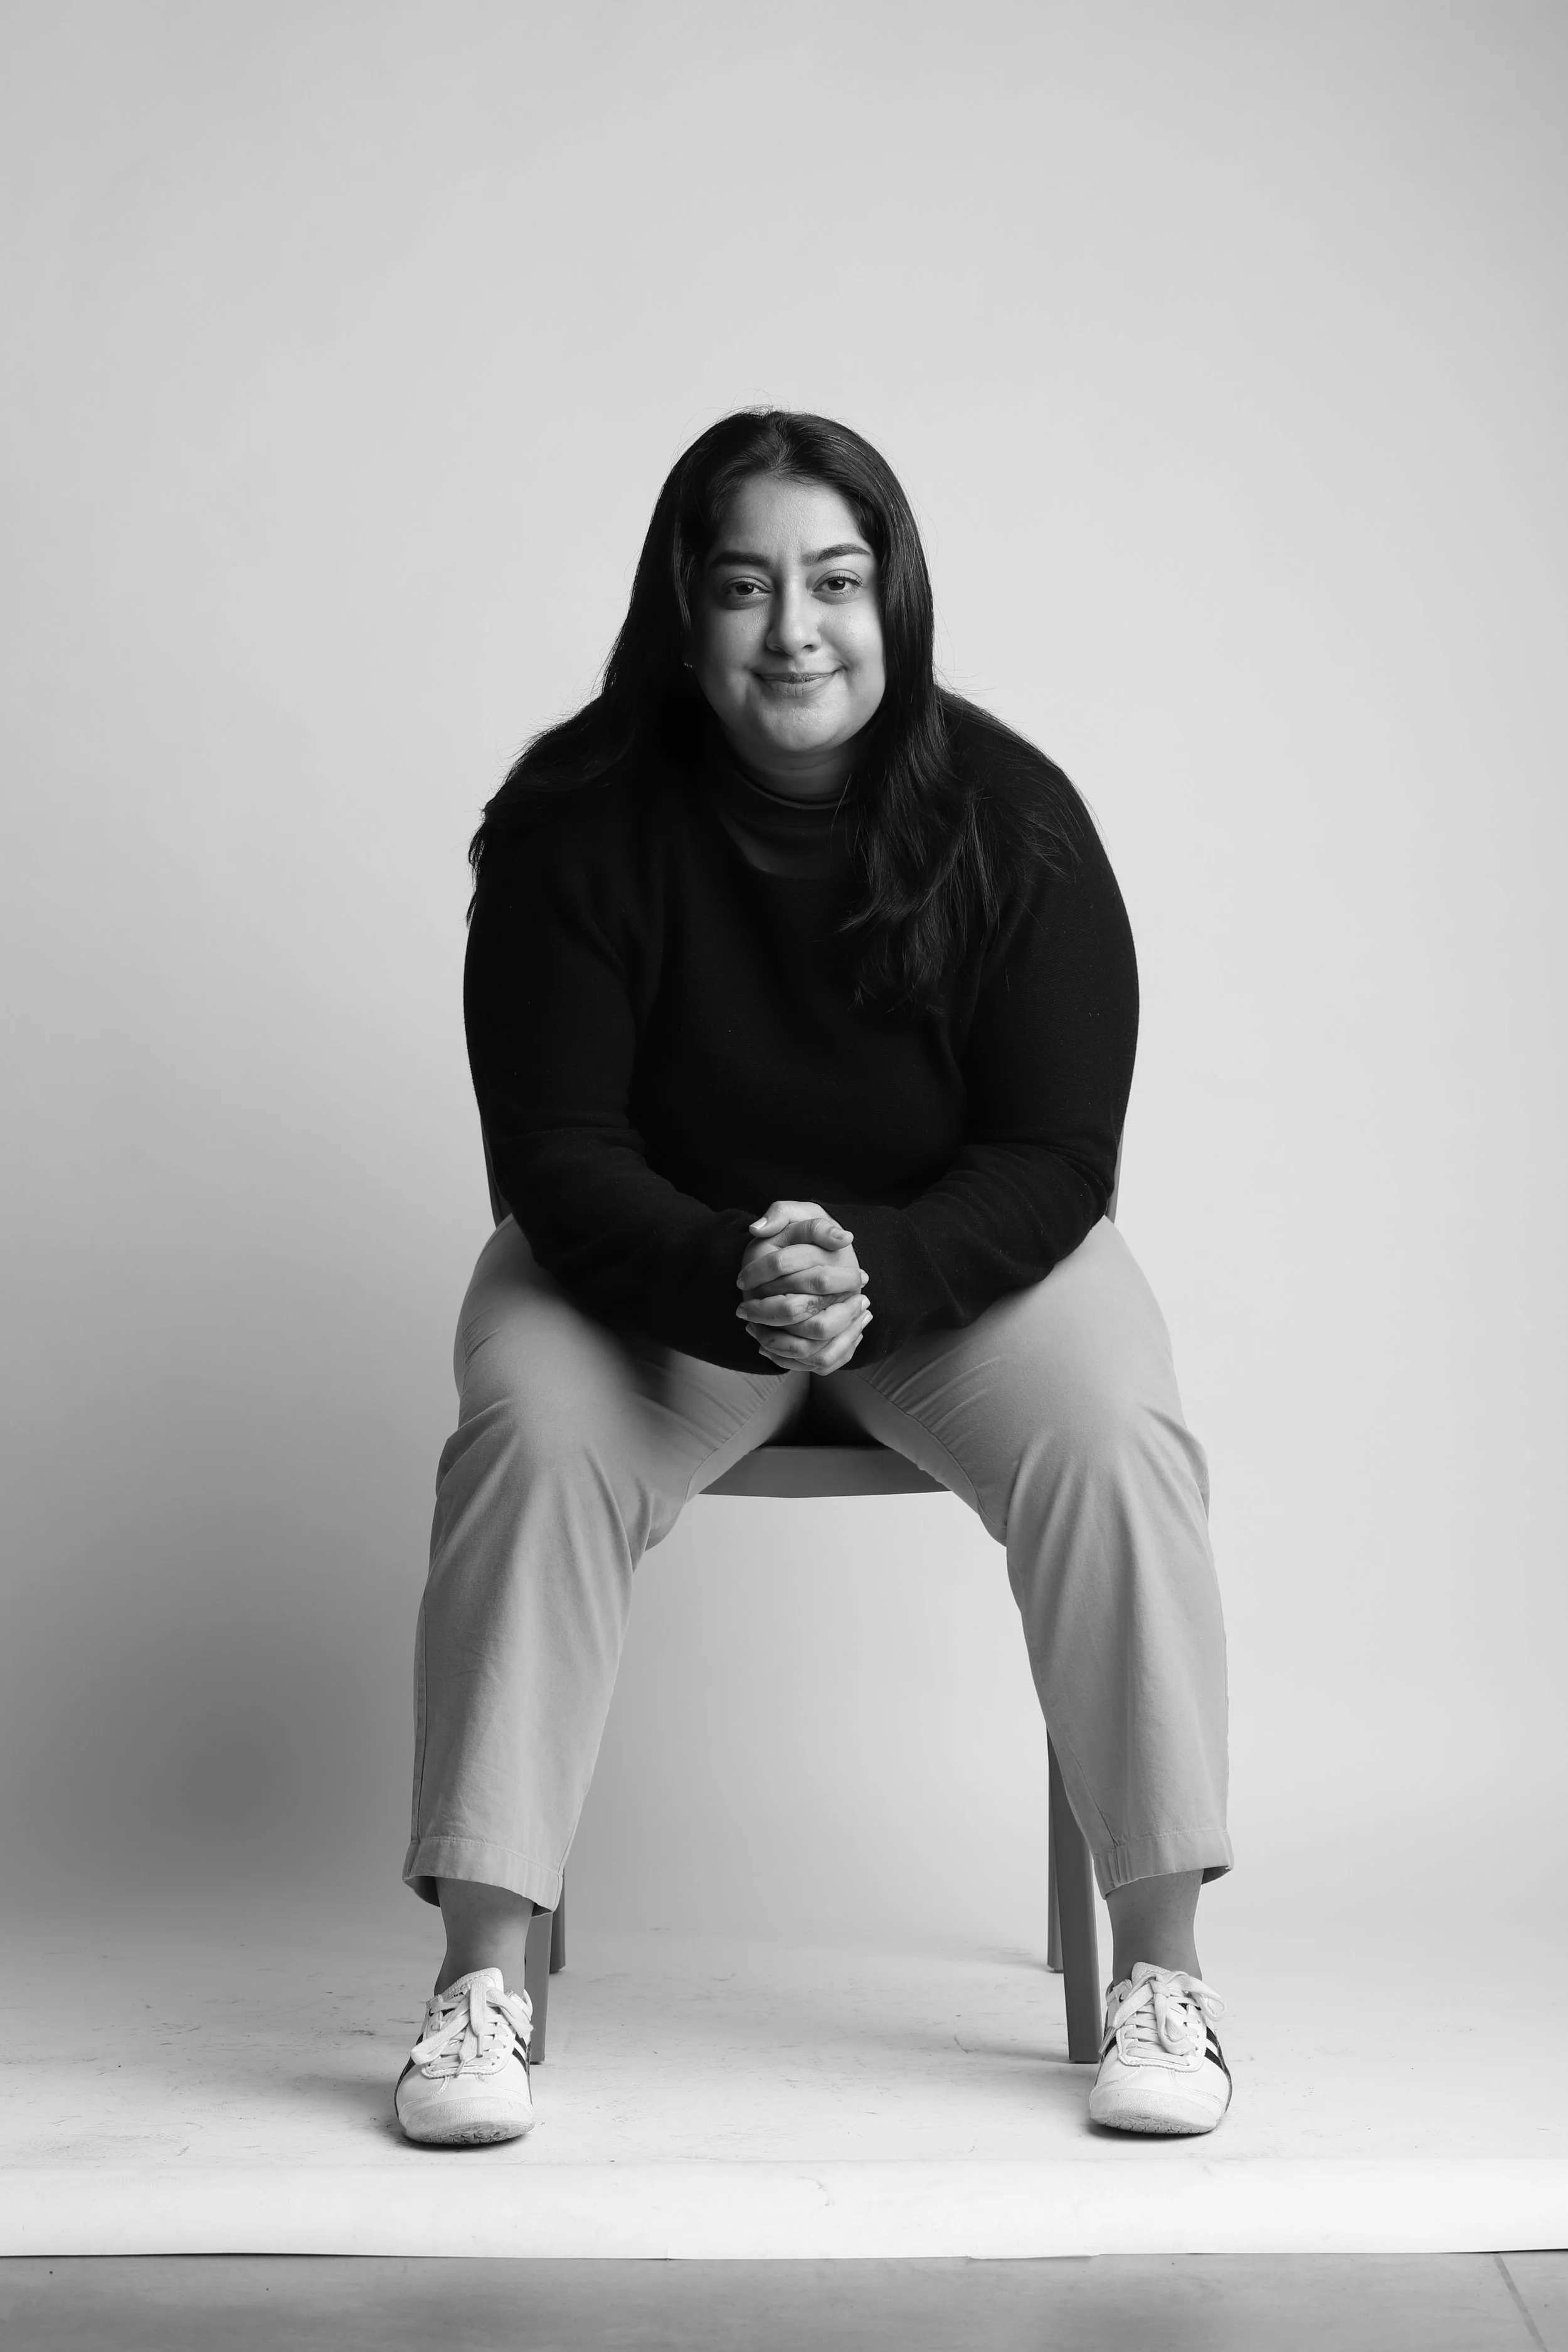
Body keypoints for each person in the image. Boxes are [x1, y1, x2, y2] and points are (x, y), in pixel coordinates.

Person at [393, 410, 1233, 2148]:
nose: (794, 629)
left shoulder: (1014, 814)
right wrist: (730, 1273)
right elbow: (551, 1156)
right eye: (745, 585)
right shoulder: (573, 824)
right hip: (649, 1275)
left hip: (959, 1274)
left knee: (1114, 1424)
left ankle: (1164, 1966)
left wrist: (883, 1271)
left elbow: (1059, 1154)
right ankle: (482, 1982)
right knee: (530, 1433)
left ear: (893, 598)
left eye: (836, 581)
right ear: (680, 613)